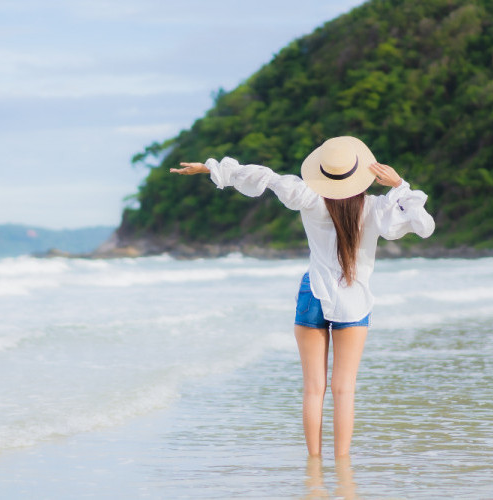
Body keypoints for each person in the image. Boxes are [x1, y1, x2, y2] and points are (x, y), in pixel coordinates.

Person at [170, 136, 435, 458]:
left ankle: (314, 464)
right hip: (353, 298)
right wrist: (400, 185)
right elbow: (424, 226)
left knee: (313, 389)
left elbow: (263, 176)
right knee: (344, 389)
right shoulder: (377, 208)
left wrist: (210, 168)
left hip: (313, 293)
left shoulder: (309, 197)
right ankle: (341, 465)